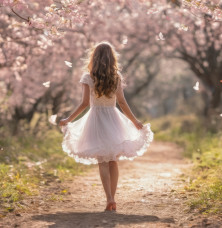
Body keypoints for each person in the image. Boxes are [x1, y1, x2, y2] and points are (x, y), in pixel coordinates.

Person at [59, 42, 153, 212]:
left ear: (94, 57)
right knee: (112, 161)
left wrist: (68, 119)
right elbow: (122, 103)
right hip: (113, 118)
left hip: (95, 120)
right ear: (112, 58)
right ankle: (113, 198)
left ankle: (108, 197)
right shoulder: (116, 76)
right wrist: (134, 121)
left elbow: (84, 104)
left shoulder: (88, 77)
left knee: (102, 161)